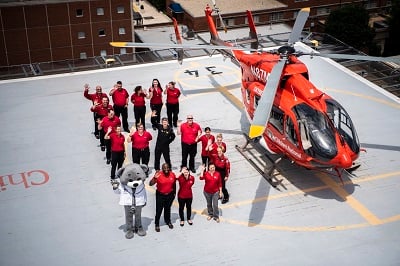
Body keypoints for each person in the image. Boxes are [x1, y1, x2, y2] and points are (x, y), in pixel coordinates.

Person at [149, 163, 176, 232]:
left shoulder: (172, 174)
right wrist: (155, 178)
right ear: (162, 168)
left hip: (169, 195)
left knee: (167, 209)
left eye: (167, 168)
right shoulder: (159, 175)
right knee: (159, 210)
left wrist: (174, 193)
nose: (166, 169)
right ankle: (157, 224)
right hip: (160, 195)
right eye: (164, 168)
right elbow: (150, 184)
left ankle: (168, 221)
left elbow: (174, 184)